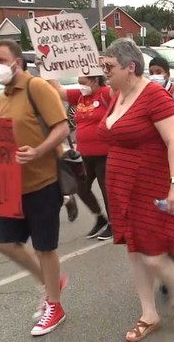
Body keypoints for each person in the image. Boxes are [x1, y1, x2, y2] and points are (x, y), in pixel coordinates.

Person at [98, 39, 174, 341]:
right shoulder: (116, 95)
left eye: (109, 67)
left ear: (130, 67)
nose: (104, 72)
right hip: (122, 187)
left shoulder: (154, 96)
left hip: (153, 185)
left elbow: (173, 142)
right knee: (134, 251)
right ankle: (149, 314)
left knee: (154, 254)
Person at [0, 40, 70, 336]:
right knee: (4, 243)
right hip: (12, 186)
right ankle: (52, 283)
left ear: (16, 62)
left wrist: (38, 151)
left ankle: (55, 306)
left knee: (45, 247)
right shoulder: (3, 98)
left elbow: (62, 127)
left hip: (43, 181)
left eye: (0, 58)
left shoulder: (37, 88)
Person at [48, 74, 114, 240]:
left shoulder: (106, 93)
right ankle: (99, 217)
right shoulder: (79, 96)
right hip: (84, 153)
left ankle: (114, 224)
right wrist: (47, 70)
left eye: (83, 83)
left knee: (107, 190)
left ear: (94, 81)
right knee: (79, 186)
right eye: (78, 83)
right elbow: (57, 90)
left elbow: (122, 92)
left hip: (105, 153)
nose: (80, 86)